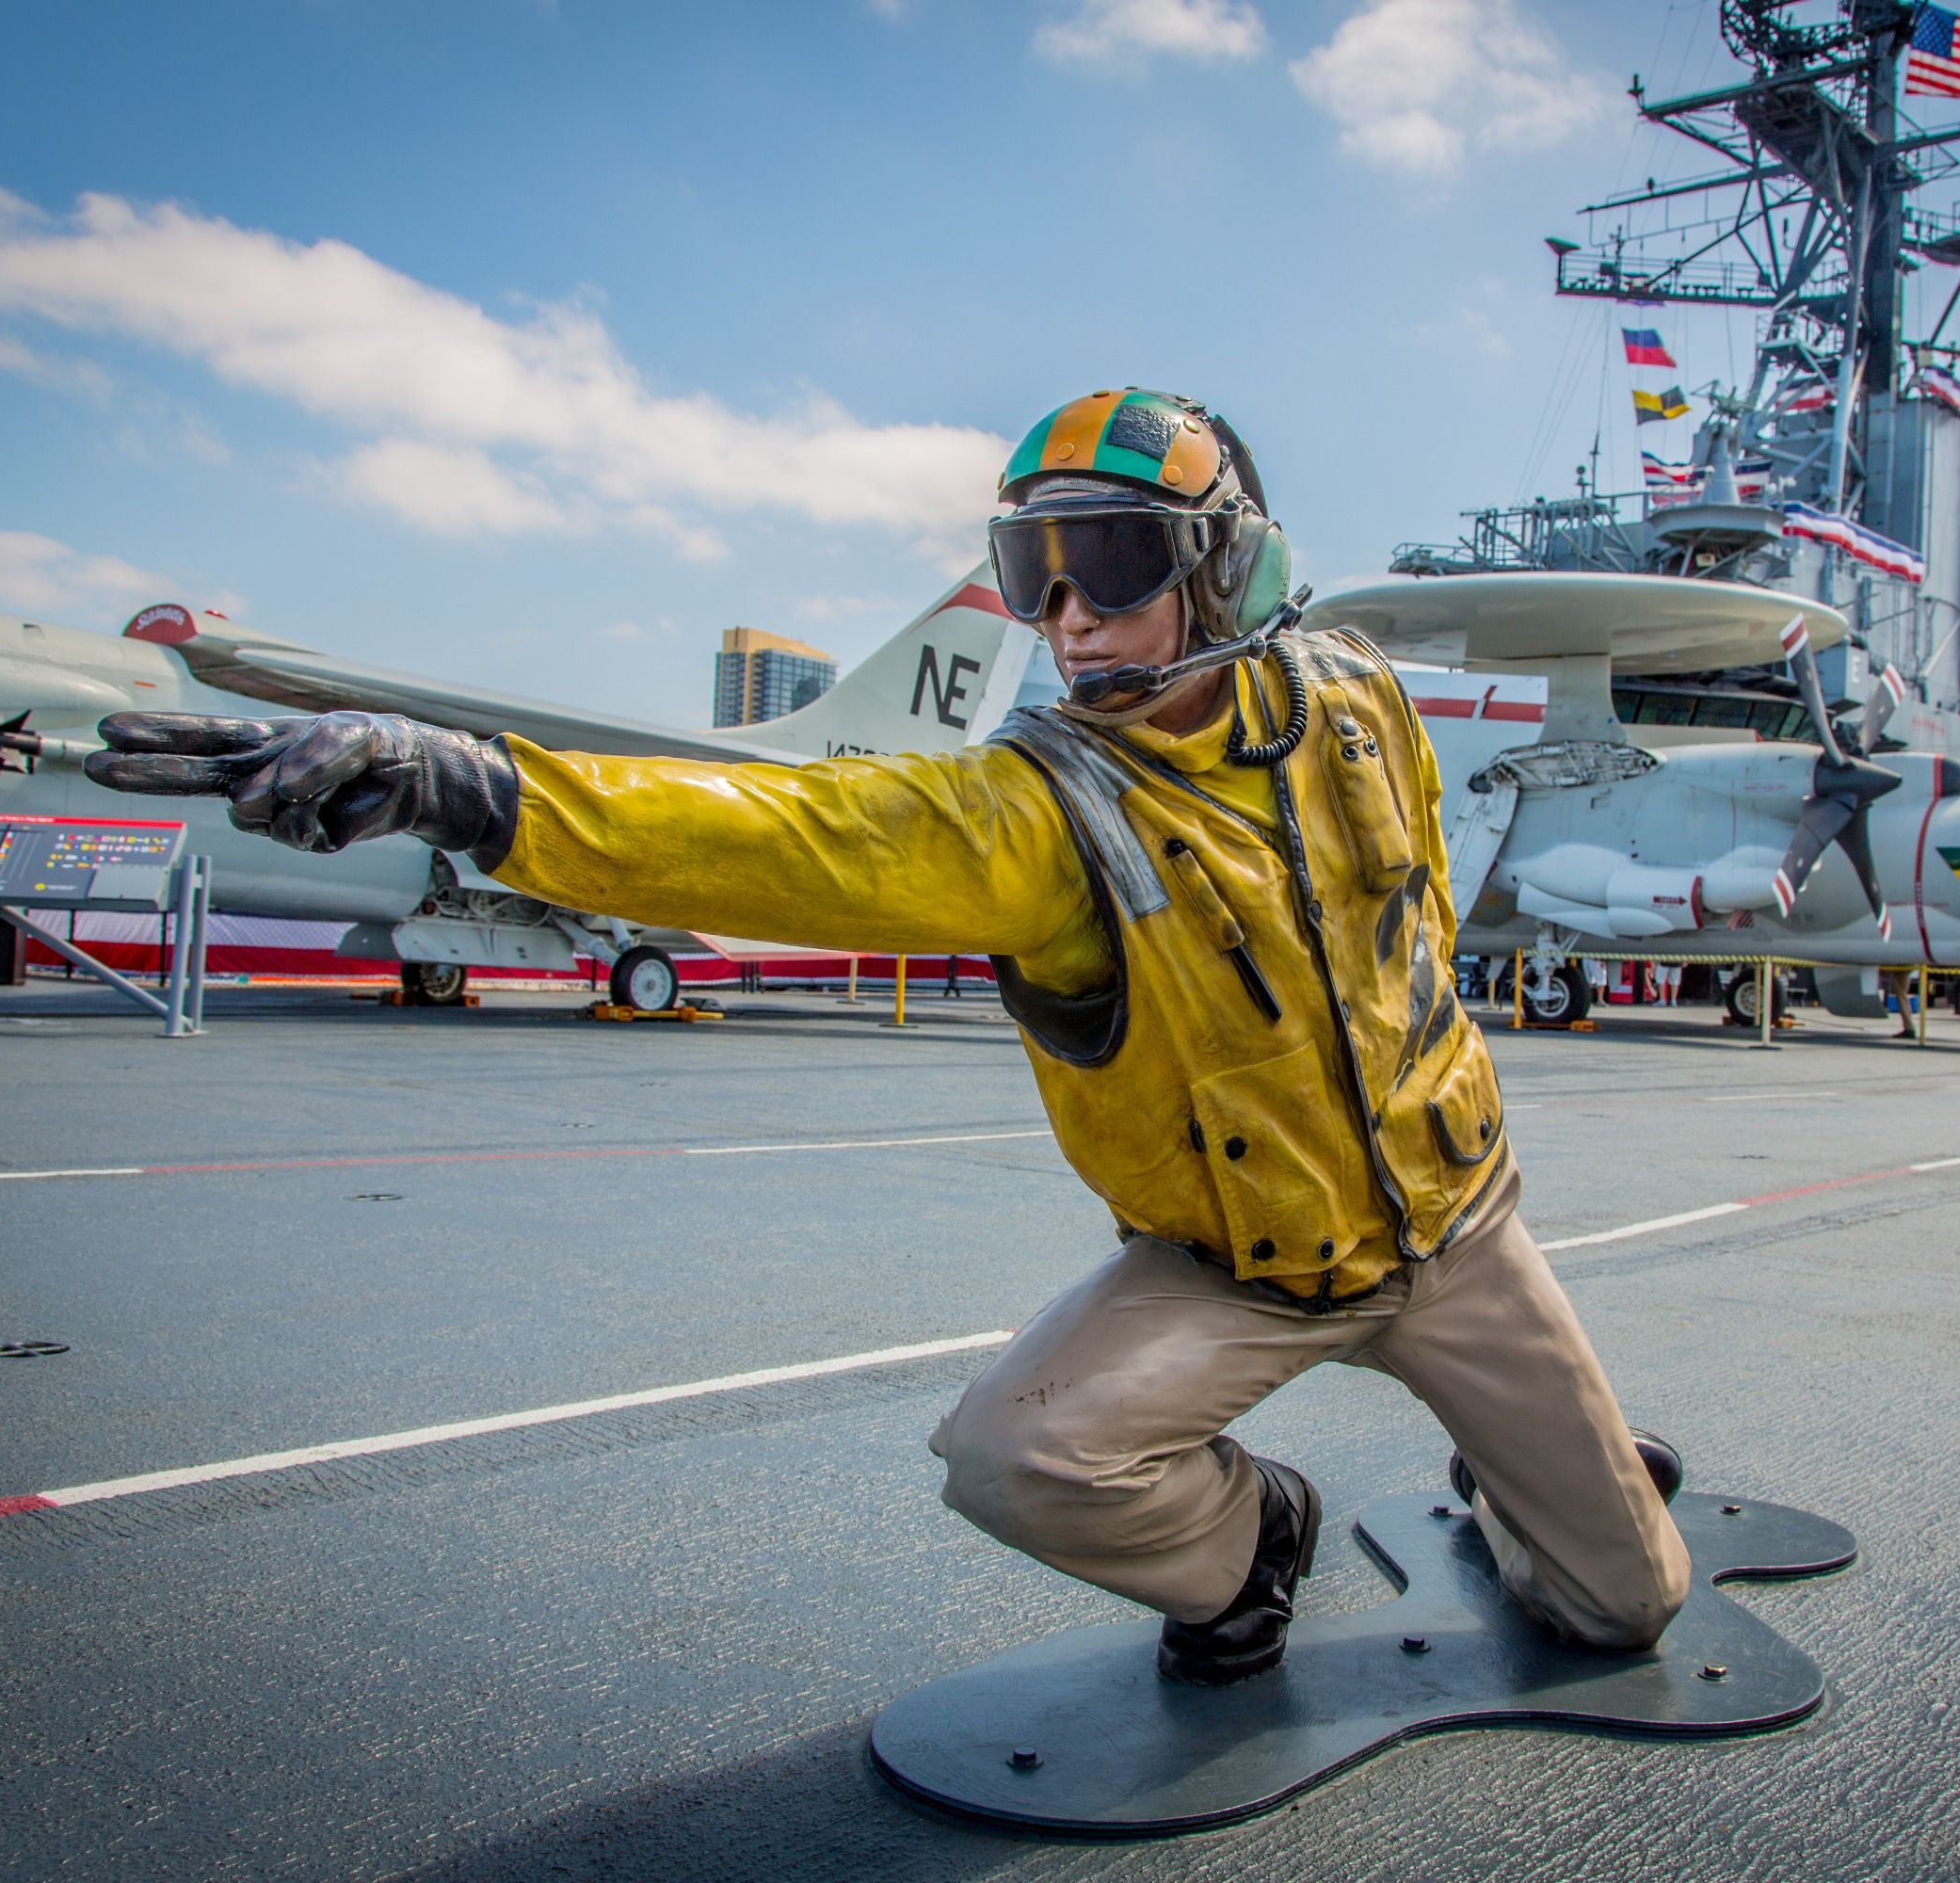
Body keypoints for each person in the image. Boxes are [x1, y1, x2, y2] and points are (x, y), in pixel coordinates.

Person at [85, 388, 1690, 1687]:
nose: (1066, 616)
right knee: (1018, 1459)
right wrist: (476, 789)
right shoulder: (1036, 811)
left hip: (1459, 1230)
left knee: (1627, 1608)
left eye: (1110, 561)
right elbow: (786, 836)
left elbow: (1413, 919)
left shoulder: (1361, 703)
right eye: (1032, 570)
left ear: (1231, 568)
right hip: (1237, 1264)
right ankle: (1251, 1544)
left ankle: (1529, 1480)